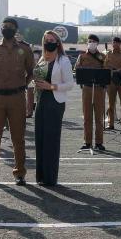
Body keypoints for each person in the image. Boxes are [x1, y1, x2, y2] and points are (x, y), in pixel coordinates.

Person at [0, 17, 34, 186]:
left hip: (17, 98)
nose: (7, 29)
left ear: (15, 30)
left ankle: (19, 174)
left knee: (18, 138)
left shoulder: (24, 49)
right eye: (4, 26)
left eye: (10, 27)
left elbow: (31, 71)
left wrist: (22, 86)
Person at [33, 31, 74, 186]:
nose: (49, 42)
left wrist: (51, 86)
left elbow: (70, 84)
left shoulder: (63, 60)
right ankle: (41, 177)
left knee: (51, 140)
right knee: (40, 138)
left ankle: (50, 178)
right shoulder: (43, 59)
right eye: (46, 40)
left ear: (58, 43)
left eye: (52, 40)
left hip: (55, 102)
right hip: (41, 101)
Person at [75, 34, 107, 151]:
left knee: (99, 117)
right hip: (87, 89)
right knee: (87, 117)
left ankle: (99, 142)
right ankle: (87, 142)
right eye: (89, 41)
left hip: (99, 89)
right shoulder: (82, 57)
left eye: (93, 41)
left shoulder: (103, 56)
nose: (91, 43)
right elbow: (77, 71)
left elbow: (108, 72)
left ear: (97, 43)